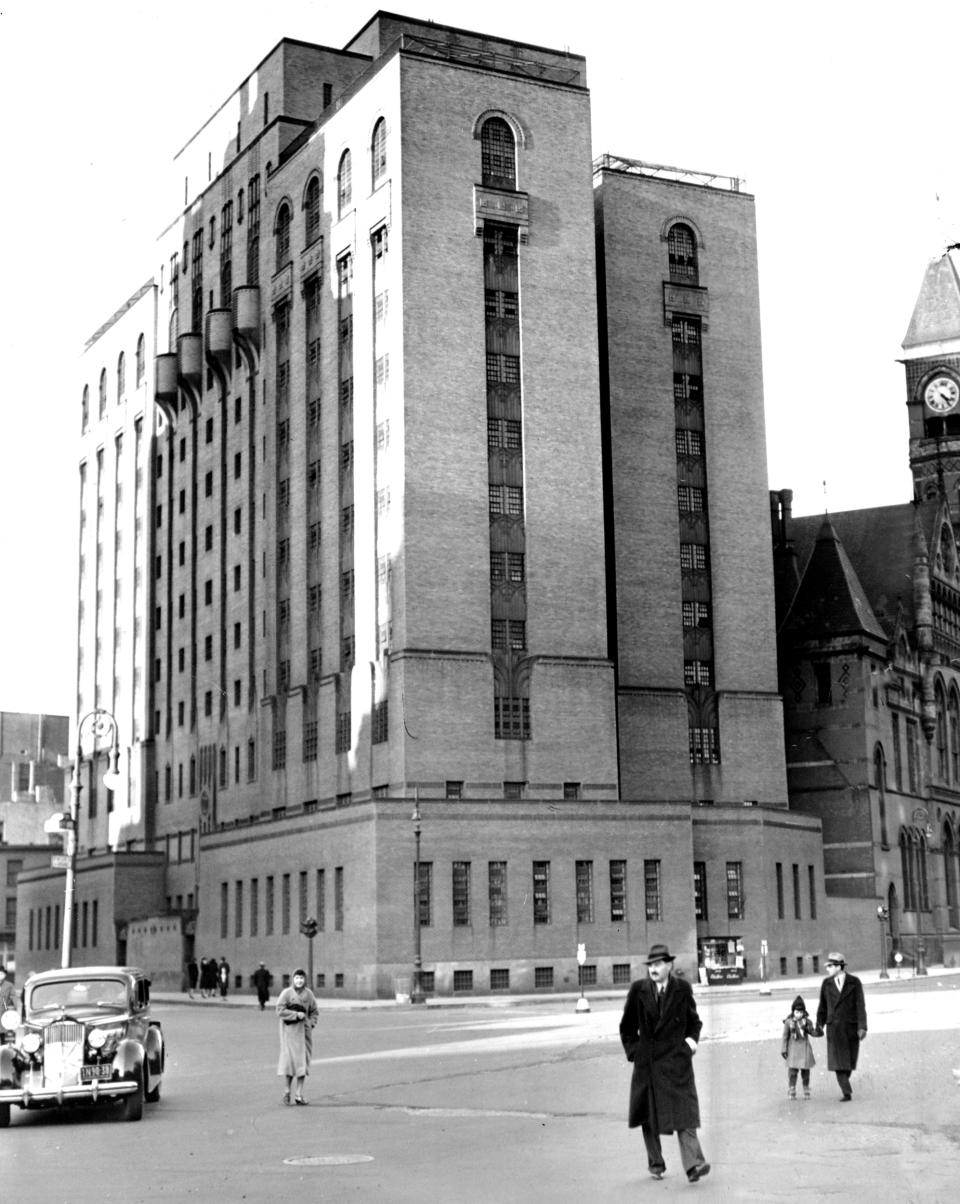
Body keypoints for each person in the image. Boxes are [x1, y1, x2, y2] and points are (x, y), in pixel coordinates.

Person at [619, 943, 711, 1184]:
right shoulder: (638, 990)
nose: (653, 968)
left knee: (685, 1113)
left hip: (676, 1062)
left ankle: (694, 1165)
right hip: (647, 1065)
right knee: (648, 1115)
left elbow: (694, 1023)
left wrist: (689, 1046)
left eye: (658, 964)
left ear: (669, 965)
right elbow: (627, 1028)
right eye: (651, 965)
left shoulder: (682, 989)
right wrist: (635, 1052)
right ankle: (656, 1163)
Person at [815, 951, 867, 1101]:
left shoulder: (854, 982)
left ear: (839, 967)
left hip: (851, 1028)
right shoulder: (826, 983)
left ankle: (845, 1084)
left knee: (849, 1062)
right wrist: (819, 1025)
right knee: (838, 1062)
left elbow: (860, 1005)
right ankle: (846, 1091)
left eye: (830, 966)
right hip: (834, 1029)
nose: (828, 969)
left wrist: (862, 1026)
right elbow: (822, 1007)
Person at [276, 967, 318, 1105]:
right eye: (296, 978)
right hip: (290, 1033)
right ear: (293, 979)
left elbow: (314, 1011)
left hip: (304, 1034)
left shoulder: (309, 994)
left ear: (304, 979)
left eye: (301, 978)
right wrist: (295, 1015)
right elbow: (279, 1010)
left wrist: (311, 1023)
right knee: (290, 1064)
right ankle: (287, 1091)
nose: (299, 981)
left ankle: (299, 1094)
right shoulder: (287, 993)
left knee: (303, 1064)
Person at [781, 994, 817, 1098]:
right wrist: (784, 1049)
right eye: (797, 1012)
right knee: (792, 1071)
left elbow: (812, 1032)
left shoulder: (807, 1022)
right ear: (793, 1012)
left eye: (801, 1012)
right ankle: (792, 1088)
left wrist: (817, 1031)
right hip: (793, 1050)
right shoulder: (788, 1022)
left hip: (805, 1049)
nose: (799, 1014)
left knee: (806, 1071)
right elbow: (785, 1036)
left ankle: (806, 1088)